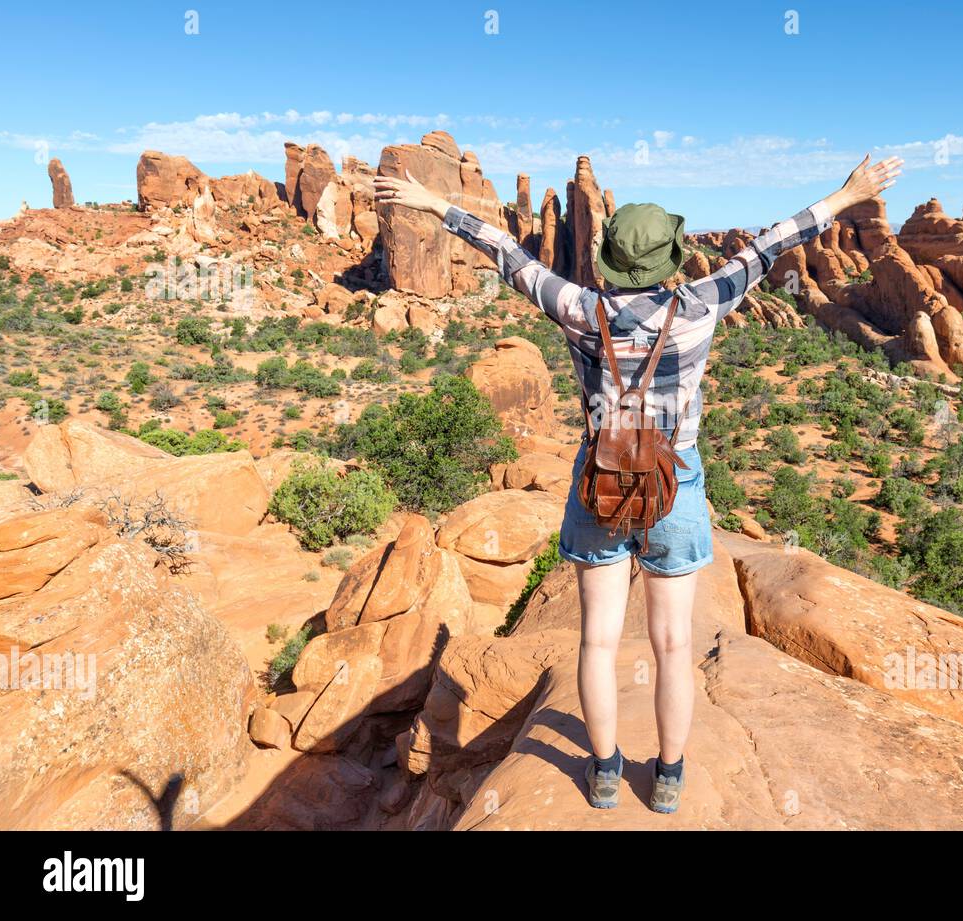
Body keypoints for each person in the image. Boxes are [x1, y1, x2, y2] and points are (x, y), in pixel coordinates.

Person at [374, 153, 901, 814]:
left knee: (597, 639)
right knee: (673, 643)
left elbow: (506, 253)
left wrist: (431, 203)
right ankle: (670, 776)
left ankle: (601, 770)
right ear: (670, 261)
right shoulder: (700, 305)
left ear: (611, 263)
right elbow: (771, 246)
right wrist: (846, 195)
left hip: (600, 484)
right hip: (673, 485)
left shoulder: (576, 307)